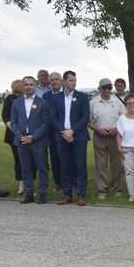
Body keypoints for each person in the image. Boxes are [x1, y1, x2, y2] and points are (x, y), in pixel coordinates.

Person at [51, 70, 91, 206]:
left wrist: (72, 131)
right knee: (64, 166)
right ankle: (67, 194)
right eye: (71, 80)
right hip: (62, 136)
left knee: (80, 165)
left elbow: (85, 117)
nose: (73, 82)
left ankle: (81, 195)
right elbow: (53, 117)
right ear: (64, 81)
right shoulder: (56, 98)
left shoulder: (83, 97)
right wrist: (64, 132)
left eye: (75, 80)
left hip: (78, 136)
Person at [10, 76, 52, 204]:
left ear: (35, 86)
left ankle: (43, 193)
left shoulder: (43, 103)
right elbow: (13, 122)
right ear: (23, 86)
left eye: (31, 84)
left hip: (37, 141)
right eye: (26, 84)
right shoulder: (16, 103)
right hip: (21, 140)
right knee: (25, 168)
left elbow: (45, 123)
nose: (28, 86)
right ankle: (29, 194)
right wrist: (20, 136)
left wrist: (33, 137)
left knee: (42, 168)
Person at [89, 78, 125, 200]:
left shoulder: (117, 102)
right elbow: (88, 121)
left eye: (109, 88)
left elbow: (124, 118)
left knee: (117, 163)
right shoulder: (93, 102)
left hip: (115, 135)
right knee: (101, 164)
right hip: (99, 135)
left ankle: (117, 188)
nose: (107, 90)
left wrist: (117, 128)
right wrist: (97, 129)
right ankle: (102, 189)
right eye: (104, 88)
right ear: (99, 89)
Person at [2, 79, 26, 195]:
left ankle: (30, 183)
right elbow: (5, 117)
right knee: (18, 159)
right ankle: (21, 184)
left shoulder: (28, 99)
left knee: (31, 160)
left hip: (29, 134)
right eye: (14, 91)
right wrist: (17, 131)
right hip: (14, 135)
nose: (16, 94)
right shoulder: (9, 99)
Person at [43, 72, 64, 190]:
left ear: (61, 81)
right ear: (49, 82)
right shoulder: (46, 96)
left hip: (64, 131)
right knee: (54, 158)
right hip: (50, 132)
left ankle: (70, 180)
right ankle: (58, 182)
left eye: (57, 79)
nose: (54, 81)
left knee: (66, 158)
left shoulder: (65, 94)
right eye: (52, 80)